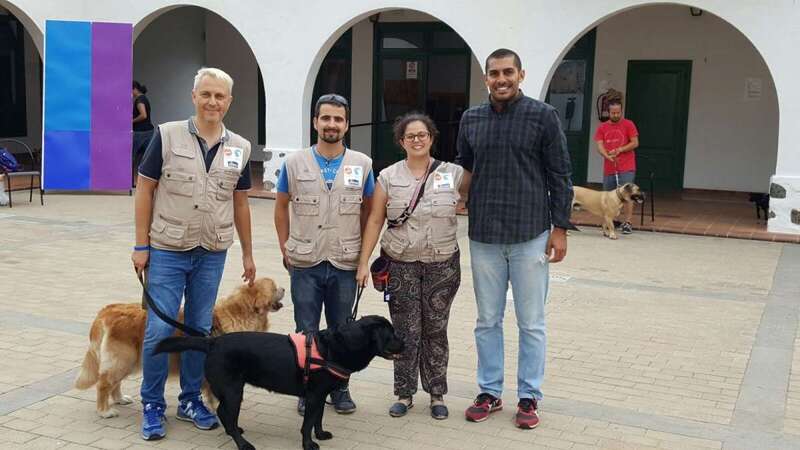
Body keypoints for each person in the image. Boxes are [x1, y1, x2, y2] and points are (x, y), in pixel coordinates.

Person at [132, 67, 256, 441]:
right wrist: (141, 245)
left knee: (200, 329)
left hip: (212, 251)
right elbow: (145, 190)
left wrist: (249, 253)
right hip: (168, 249)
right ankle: (153, 404)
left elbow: (241, 203)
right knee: (159, 329)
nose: (212, 102)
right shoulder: (166, 135)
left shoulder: (240, 147)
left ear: (229, 101)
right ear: (194, 96)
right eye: (206, 94)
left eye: (220, 96)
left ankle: (189, 400)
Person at [455, 48, 573, 429]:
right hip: (484, 235)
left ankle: (528, 396)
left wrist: (559, 229)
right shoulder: (471, 119)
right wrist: (453, 200)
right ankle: (489, 391)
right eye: (494, 73)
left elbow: (560, 175)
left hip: (530, 234)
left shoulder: (543, 116)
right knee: (487, 320)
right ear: (486, 77)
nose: (501, 79)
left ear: (521, 74)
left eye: (508, 72)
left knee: (531, 321)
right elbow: (466, 169)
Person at [356, 112, 462, 420]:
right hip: (400, 265)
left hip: (441, 265)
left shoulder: (453, 174)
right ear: (401, 142)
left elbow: (478, 196)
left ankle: (437, 393)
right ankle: (404, 392)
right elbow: (376, 219)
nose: (417, 140)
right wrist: (363, 262)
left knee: (436, 330)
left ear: (432, 138)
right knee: (405, 331)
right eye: (410, 136)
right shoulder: (388, 176)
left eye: (422, 135)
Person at [273, 93, 375, 416]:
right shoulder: (294, 162)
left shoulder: (362, 164)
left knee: (344, 330)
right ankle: (306, 387)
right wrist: (285, 245)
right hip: (305, 261)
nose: (332, 124)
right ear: (315, 122)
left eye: (338, 119)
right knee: (306, 329)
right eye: (326, 118)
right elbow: (280, 207)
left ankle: (340, 388)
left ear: (346, 124)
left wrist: (362, 260)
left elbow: (370, 212)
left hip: (344, 262)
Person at [594, 99, 640, 234]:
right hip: (609, 166)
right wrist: (605, 155)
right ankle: (610, 221)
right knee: (608, 196)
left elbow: (635, 142)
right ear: (608, 112)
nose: (615, 115)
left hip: (626, 165)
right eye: (613, 113)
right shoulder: (602, 127)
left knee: (628, 194)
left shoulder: (628, 124)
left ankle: (628, 222)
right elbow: (599, 145)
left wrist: (620, 149)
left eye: (618, 112)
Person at [132, 81, 155, 187]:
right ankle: (141, 183)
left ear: (135, 88)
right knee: (144, 159)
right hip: (149, 131)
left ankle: (134, 181)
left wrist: (131, 121)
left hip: (140, 133)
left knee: (133, 158)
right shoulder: (145, 98)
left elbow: (143, 115)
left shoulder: (139, 100)